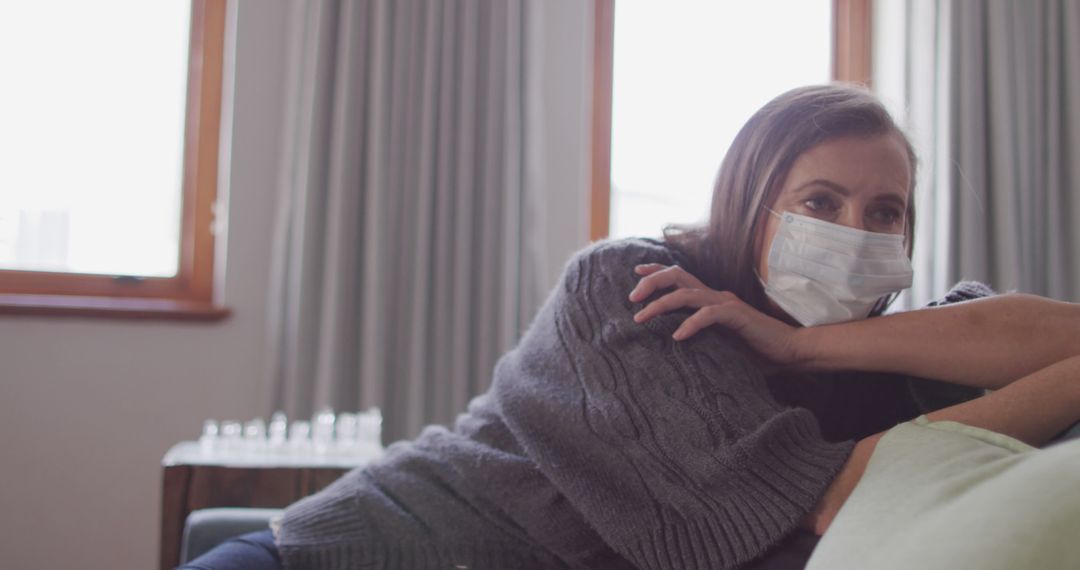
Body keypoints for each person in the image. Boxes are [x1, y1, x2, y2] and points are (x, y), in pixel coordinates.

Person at [181, 84, 1080, 570]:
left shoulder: (893, 345)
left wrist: (812, 343)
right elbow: (816, 497)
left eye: (886, 212)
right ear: (750, 202)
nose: (856, 231)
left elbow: (1052, 335)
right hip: (374, 555)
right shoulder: (635, 286)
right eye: (819, 200)